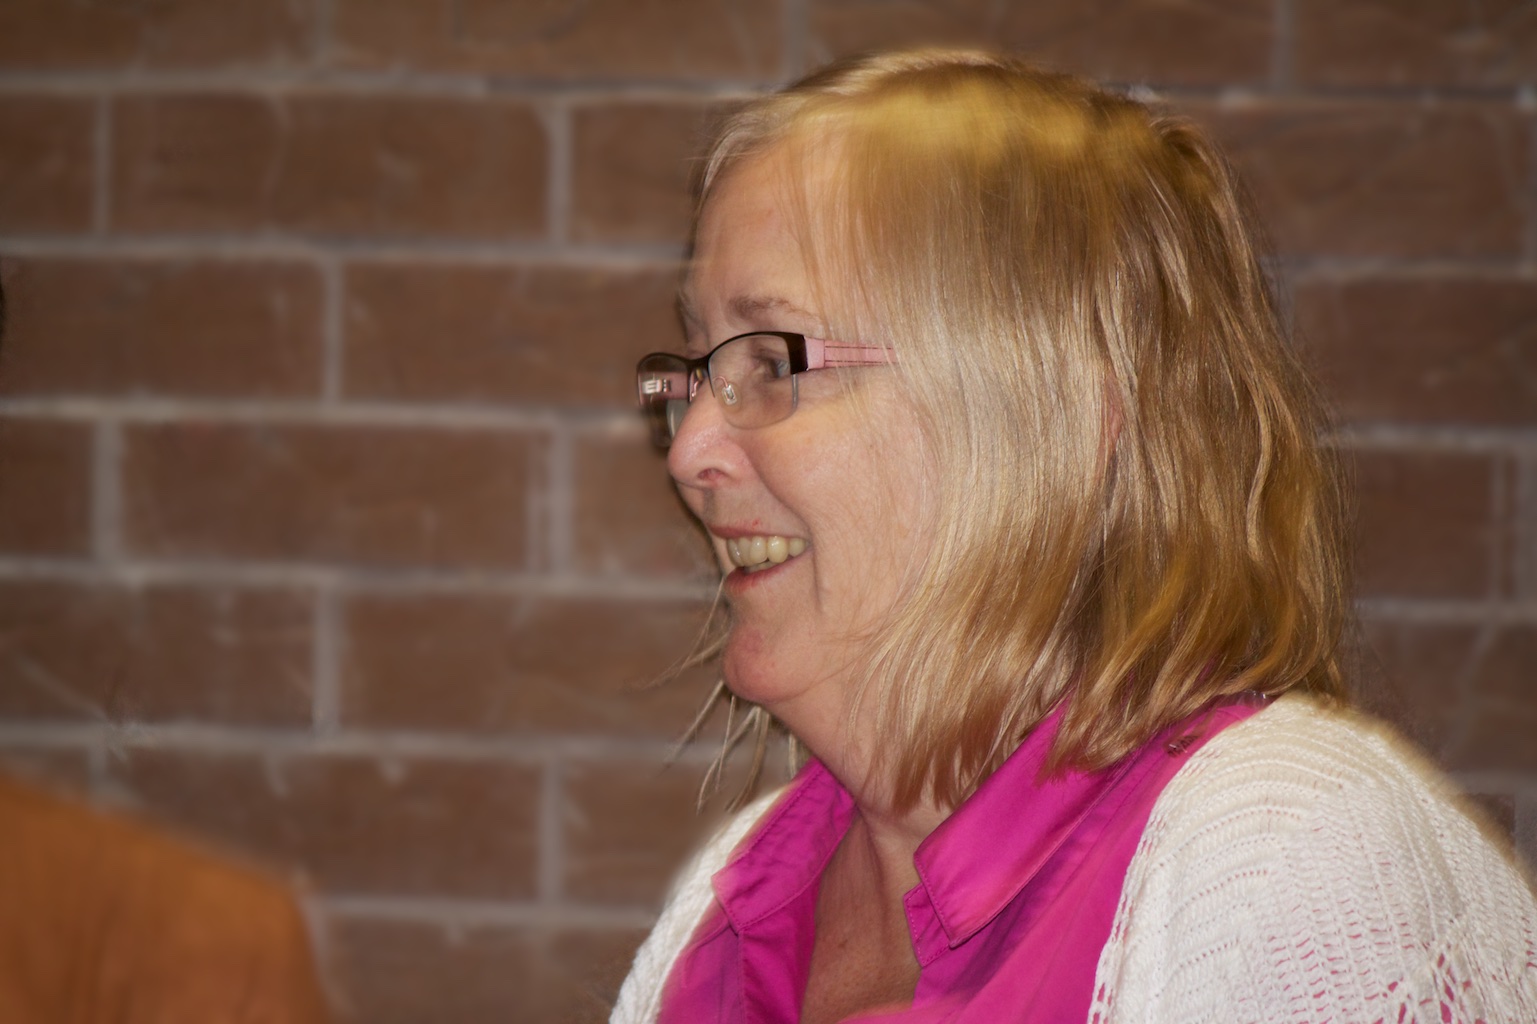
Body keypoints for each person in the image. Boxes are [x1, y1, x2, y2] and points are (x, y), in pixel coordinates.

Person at [615, 50, 1537, 1024]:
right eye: (697, 370)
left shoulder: (1287, 865)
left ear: (1050, 413)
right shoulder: (727, 904)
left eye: (771, 362)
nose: (690, 452)